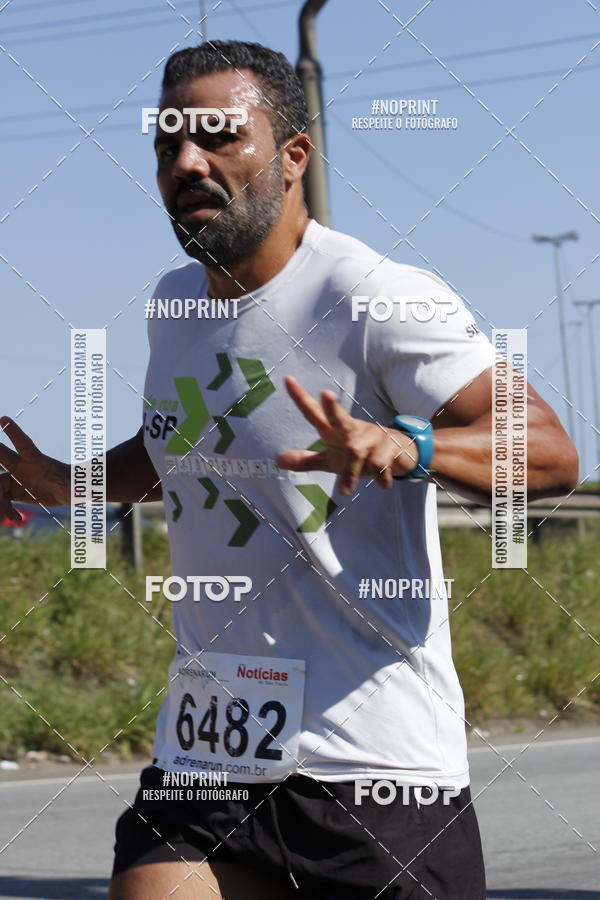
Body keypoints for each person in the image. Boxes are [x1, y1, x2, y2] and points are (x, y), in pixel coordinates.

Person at [0, 40, 577, 900]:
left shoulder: (375, 294)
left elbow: (548, 450)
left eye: (219, 137)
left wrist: (411, 448)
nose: (188, 162)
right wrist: (69, 482)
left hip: (372, 762)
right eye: (168, 145)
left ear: (292, 154)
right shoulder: (173, 305)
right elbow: (183, 449)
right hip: (211, 749)